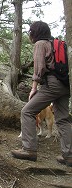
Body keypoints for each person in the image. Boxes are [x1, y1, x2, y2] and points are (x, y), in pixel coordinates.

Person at [11, 21, 72, 167]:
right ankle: (69, 156)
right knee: (63, 119)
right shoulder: (58, 43)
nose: (29, 33)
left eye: (30, 31)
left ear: (35, 32)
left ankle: (29, 149)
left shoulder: (40, 44)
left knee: (27, 112)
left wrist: (34, 88)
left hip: (51, 85)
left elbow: (39, 69)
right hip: (65, 85)